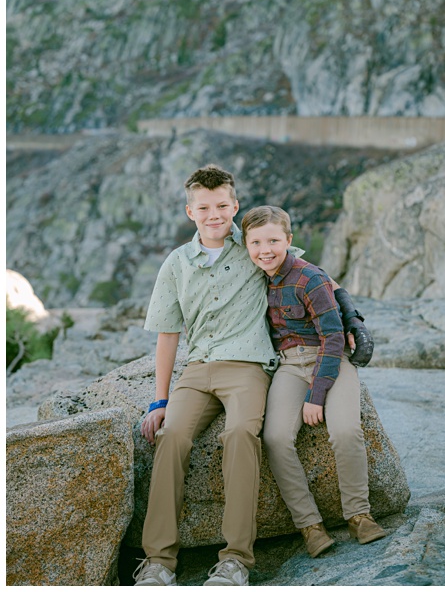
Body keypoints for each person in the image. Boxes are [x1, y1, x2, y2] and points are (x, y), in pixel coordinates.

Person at [132, 165, 372, 586]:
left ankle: (235, 559)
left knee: (242, 434)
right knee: (171, 436)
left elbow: (319, 278)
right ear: (190, 211)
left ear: (235, 206)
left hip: (247, 366)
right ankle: (158, 561)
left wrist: (352, 323)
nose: (214, 214)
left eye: (222, 205)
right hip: (199, 367)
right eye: (204, 207)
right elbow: (168, 335)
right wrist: (159, 399)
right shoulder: (176, 263)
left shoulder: (254, 245)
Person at [241, 205, 386, 558]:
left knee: (346, 431)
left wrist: (316, 396)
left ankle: (359, 515)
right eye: (257, 242)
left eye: (274, 240)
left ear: (289, 241)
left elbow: (334, 338)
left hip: (330, 359)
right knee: (275, 438)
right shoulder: (255, 275)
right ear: (246, 246)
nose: (266, 250)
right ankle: (310, 525)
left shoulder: (311, 278)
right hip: (290, 365)